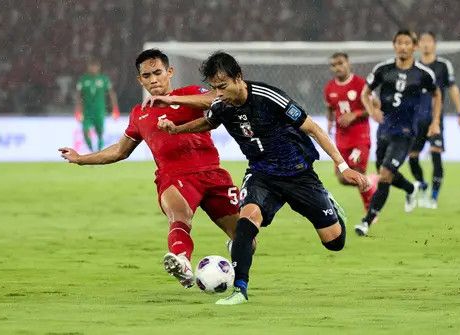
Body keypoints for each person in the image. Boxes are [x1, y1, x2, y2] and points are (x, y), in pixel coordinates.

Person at [158, 51, 369, 305]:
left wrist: (343, 166)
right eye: (214, 88)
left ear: (239, 77)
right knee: (245, 224)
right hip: (261, 173)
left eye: (223, 86)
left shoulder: (268, 97)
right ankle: (240, 290)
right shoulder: (221, 105)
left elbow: (313, 129)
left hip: (299, 174)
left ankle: (330, 204)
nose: (219, 93)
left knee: (334, 242)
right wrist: (177, 129)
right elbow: (209, 122)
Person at [60, 49, 241, 287]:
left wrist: (171, 99)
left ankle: (237, 252)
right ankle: (182, 262)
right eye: (147, 76)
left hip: (212, 174)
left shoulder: (189, 94)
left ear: (170, 72)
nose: (153, 79)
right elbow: (119, 151)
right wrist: (81, 158)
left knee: (245, 239)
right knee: (179, 216)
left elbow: (216, 99)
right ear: (140, 80)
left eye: (158, 73)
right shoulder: (139, 113)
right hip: (174, 176)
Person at [354, 30, 442, 237]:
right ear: (394, 45)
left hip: (406, 132)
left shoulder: (423, 73)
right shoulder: (383, 69)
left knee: (384, 175)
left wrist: (435, 121)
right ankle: (410, 188)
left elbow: (437, 94)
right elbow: (365, 93)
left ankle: (367, 221)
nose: (403, 47)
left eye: (407, 43)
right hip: (384, 130)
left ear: (414, 47)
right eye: (399, 43)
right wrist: (372, 110)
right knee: (386, 173)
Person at [408, 31, 460, 209]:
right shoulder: (414, 66)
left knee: (436, 154)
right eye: (423, 41)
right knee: (412, 157)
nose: (426, 44)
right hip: (415, 120)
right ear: (418, 45)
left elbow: (453, 89)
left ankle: (433, 196)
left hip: (435, 118)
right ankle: (422, 185)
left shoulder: (443, 65)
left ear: (434, 44)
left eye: (429, 41)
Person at [324, 52, 379, 211]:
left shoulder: (361, 84)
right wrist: (329, 123)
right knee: (342, 178)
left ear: (349, 63)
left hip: (360, 136)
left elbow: (375, 106)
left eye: (340, 63)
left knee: (357, 170)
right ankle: (371, 182)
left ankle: (370, 208)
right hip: (341, 138)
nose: (337, 67)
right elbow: (329, 108)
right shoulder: (329, 88)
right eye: (334, 65)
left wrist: (354, 115)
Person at [74, 59, 120, 152]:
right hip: (86, 112)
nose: (93, 68)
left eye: (95, 66)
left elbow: (111, 94)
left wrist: (115, 109)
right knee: (85, 131)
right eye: (92, 66)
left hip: (99, 111)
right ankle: (91, 150)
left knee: (100, 133)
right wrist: (77, 110)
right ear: (88, 67)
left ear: (99, 67)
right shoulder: (83, 79)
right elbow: (78, 96)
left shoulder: (104, 79)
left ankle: (98, 151)